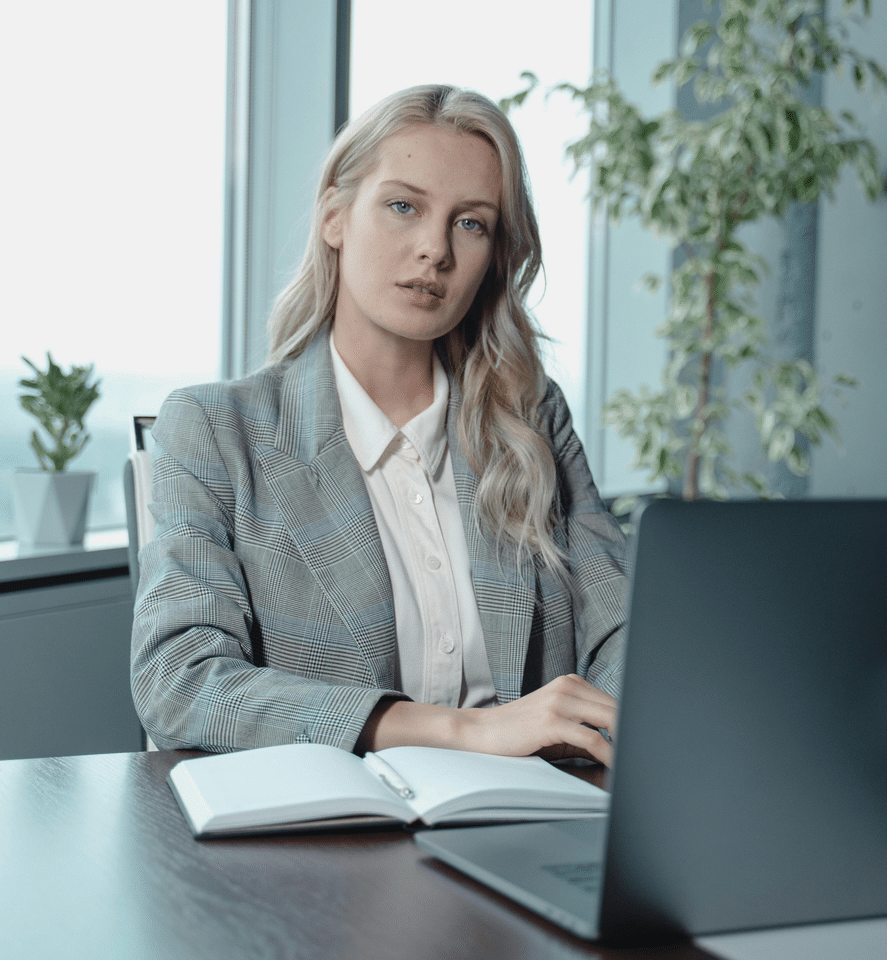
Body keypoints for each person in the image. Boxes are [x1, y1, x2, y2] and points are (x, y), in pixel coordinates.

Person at [131, 84, 628, 766]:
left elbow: (624, 631)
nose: (434, 250)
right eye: (403, 206)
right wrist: (463, 730)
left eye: (470, 223)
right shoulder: (217, 431)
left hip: (530, 820)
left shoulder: (531, 419)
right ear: (335, 215)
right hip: (330, 844)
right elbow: (179, 683)